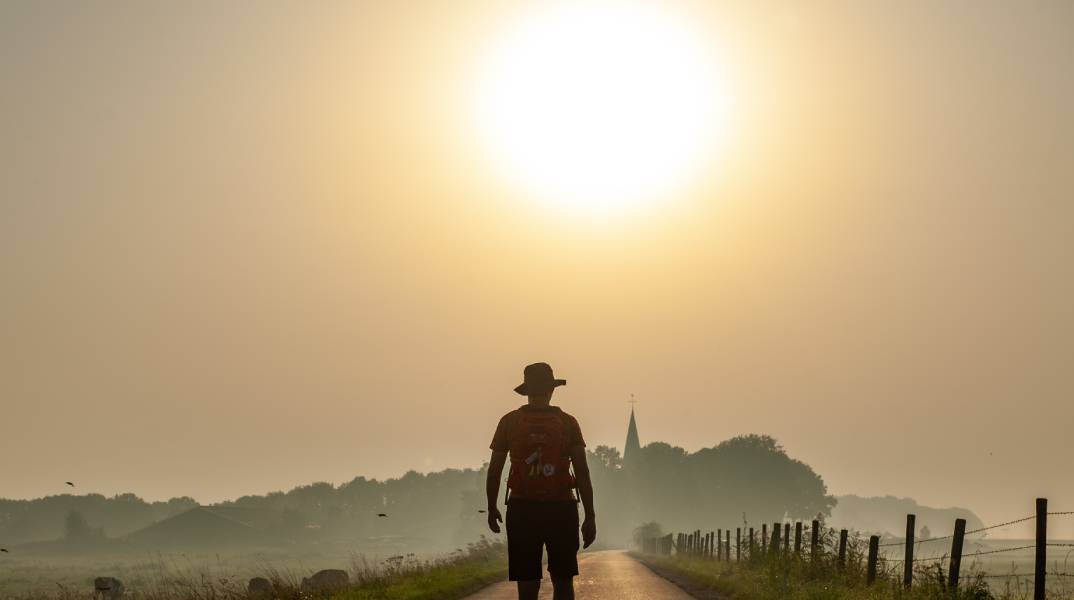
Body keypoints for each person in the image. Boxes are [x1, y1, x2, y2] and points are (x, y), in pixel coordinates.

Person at [486, 363, 596, 600]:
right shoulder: (568, 422)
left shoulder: (509, 422)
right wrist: (590, 516)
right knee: (563, 581)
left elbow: (494, 470)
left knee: (527, 585)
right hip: (562, 509)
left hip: (522, 509)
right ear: (552, 390)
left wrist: (492, 506)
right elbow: (583, 472)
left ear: (527, 391)